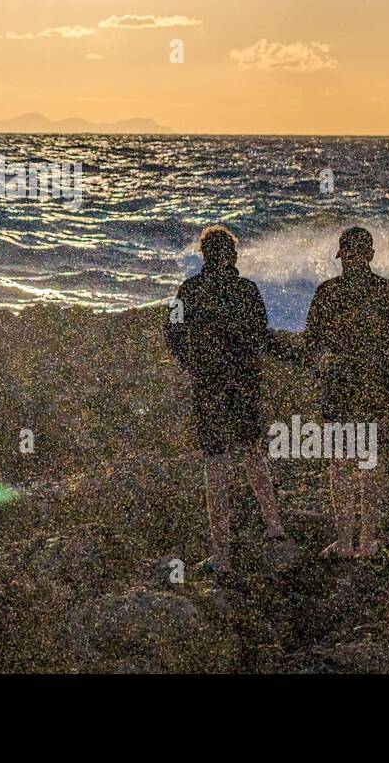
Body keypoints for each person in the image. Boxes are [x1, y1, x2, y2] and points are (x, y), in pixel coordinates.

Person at [165, 225, 287, 575]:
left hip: (210, 387)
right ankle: (274, 527)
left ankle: (222, 553)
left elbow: (172, 333)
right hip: (245, 384)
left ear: (203, 255)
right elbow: (262, 337)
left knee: (215, 463)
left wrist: (192, 363)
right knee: (252, 454)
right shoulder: (247, 290)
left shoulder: (189, 290)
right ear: (232, 256)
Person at [304, 227, 389, 559]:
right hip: (376, 389)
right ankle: (366, 543)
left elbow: (312, 343)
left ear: (346, 256)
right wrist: (386, 371)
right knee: (372, 463)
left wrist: (324, 365)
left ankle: (344, 542)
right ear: (371, 255)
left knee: (341, 463)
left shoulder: (328, 292)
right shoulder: (388, 292)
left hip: (340, 389)